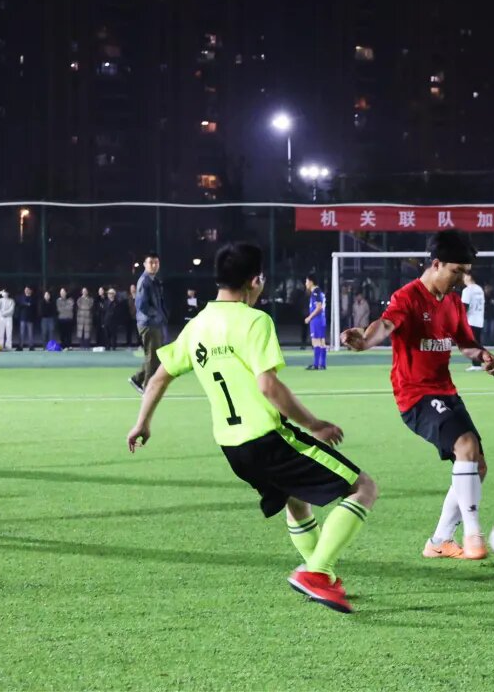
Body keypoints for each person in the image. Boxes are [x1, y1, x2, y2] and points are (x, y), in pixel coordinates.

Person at [127, 242, 377, 614]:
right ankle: (316, 573)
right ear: (255, 280)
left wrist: (142, 422)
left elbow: (159, 377)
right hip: (266, 438)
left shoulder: (197, 326)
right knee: (363, 488)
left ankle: (321, 576)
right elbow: (268, 386)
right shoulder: (254, 321)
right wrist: (315, 424)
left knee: (296, 501)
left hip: (233, 448)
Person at [341, 230, 494, 561]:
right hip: (415, 396)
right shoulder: (408, 297)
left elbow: (465, 342)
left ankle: (439, 541)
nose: (461, 278)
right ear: (436, 264)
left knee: (477, 466)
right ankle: (473, 536)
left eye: (465, 272)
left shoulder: (452, 302)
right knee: (466, 446)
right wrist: (365, 340)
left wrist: (482, 355)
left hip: (446, 392)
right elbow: (385, 325)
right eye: (456, 271)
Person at [131, 253, 168, 393]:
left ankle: (137, 379)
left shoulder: (154, 280)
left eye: (156, 262)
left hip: (154, 323)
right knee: (152, 358)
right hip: (148, 324)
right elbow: (141, 304)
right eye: (151, 262)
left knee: (155, 357)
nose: (154, 265)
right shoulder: (145, 281)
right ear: (145, 264)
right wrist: (156, 314)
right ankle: (148, 390)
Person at [461, 271, 486, 371]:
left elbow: (464, 306)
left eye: (464, 276)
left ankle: (477, 365)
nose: (463, 278)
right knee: (476, 343)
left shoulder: (467, 290)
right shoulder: (479, 289)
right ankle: (478, 364)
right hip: (479, 319)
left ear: (469, 277)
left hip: (470, 320)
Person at [304, 274, 327, 370]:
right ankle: (322, 364)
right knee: (322, 341)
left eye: (306, 281)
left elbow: (318, 307)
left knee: (316, 341)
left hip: (317, 320)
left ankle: (316, 364)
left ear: (311, 282)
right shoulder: (319, 292)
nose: (305, 284)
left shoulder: (315, 292)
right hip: (321, 319)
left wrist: (309, 317)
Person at [16, 286, 38, 351]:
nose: (26, 291)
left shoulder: (33, 298)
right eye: (25, 289)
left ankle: (31, 346)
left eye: (28, 290)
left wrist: (27, 304)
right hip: (23, 317)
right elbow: (19, 305)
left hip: (30, 318)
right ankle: (20, 346)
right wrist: (26, 304)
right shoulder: (21, 297)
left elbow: (34, 307)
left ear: (30, 291)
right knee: (22, 333)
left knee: (30, 333)